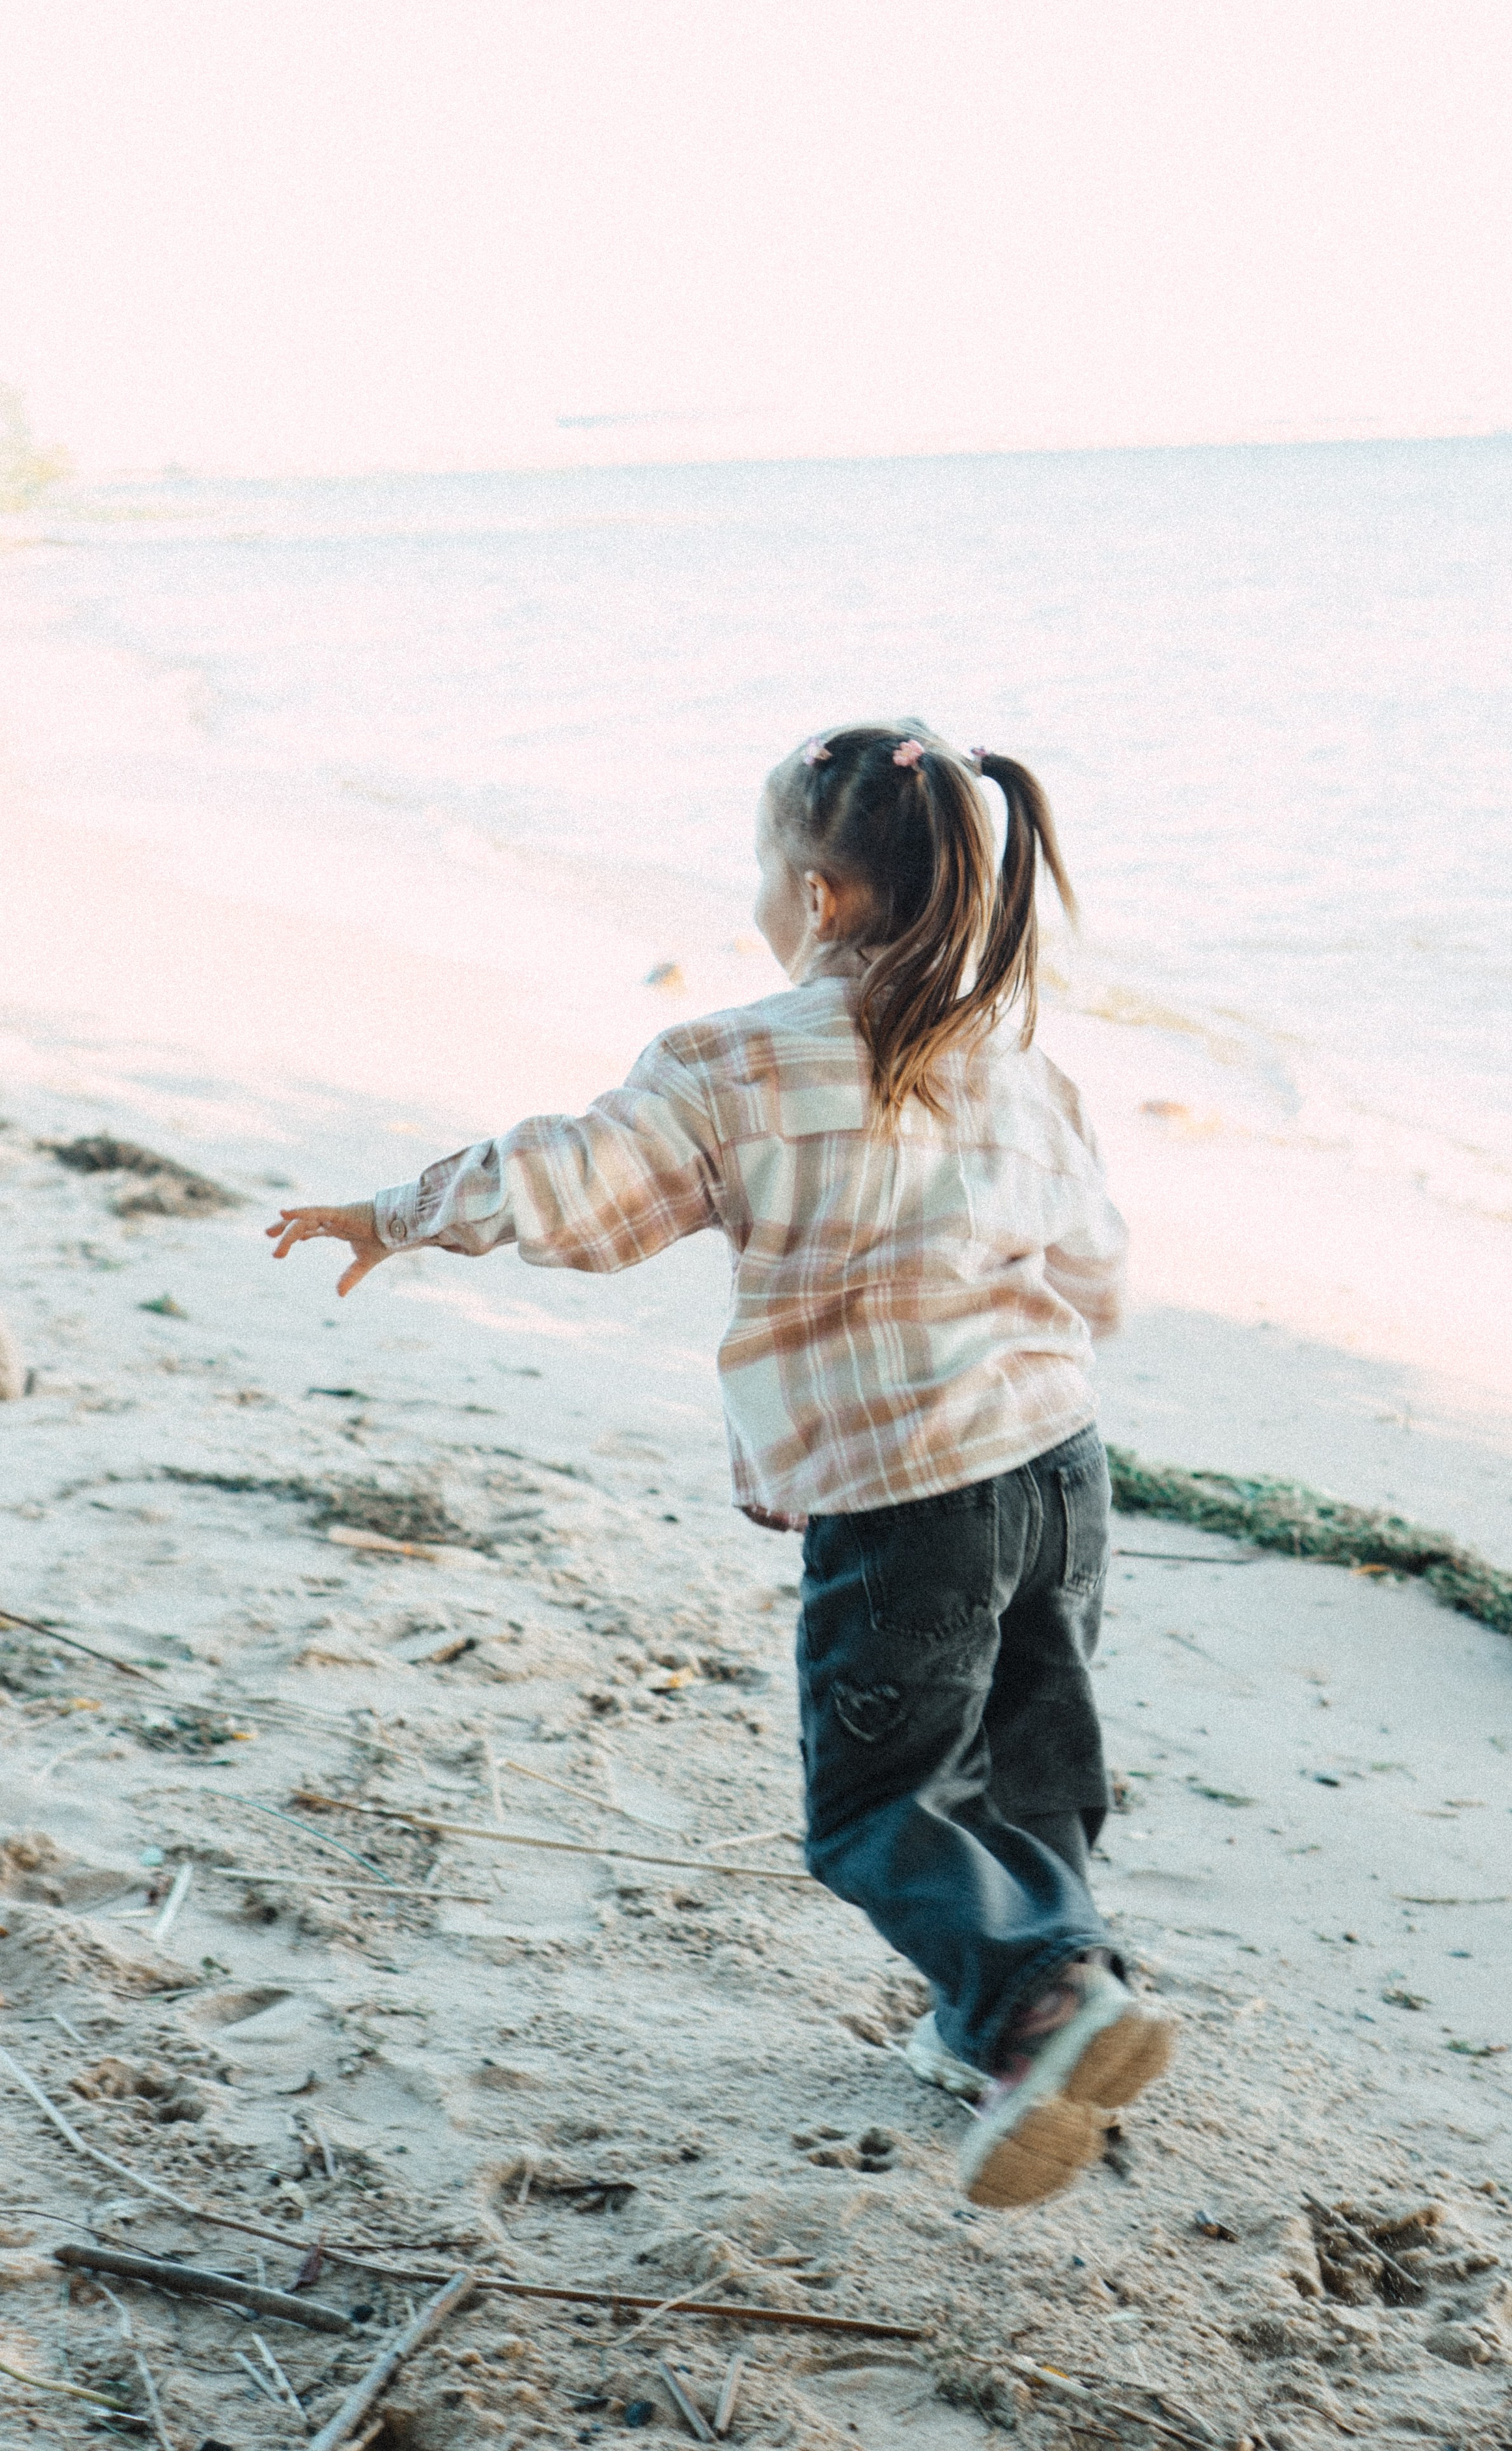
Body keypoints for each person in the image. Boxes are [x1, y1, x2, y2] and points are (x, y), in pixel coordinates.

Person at [269, 722, 1174, 2209]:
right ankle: (1018, 2020)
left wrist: (396, 1213)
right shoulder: (1018, 1066)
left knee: (879, 1803)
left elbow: (572, 1188)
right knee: (1032, 1761)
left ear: (815, 896)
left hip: (909, 1495)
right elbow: (1100, 1279)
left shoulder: (730, 1060)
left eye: (764, 871)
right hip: (1059, 1468)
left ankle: (1043, 2000)